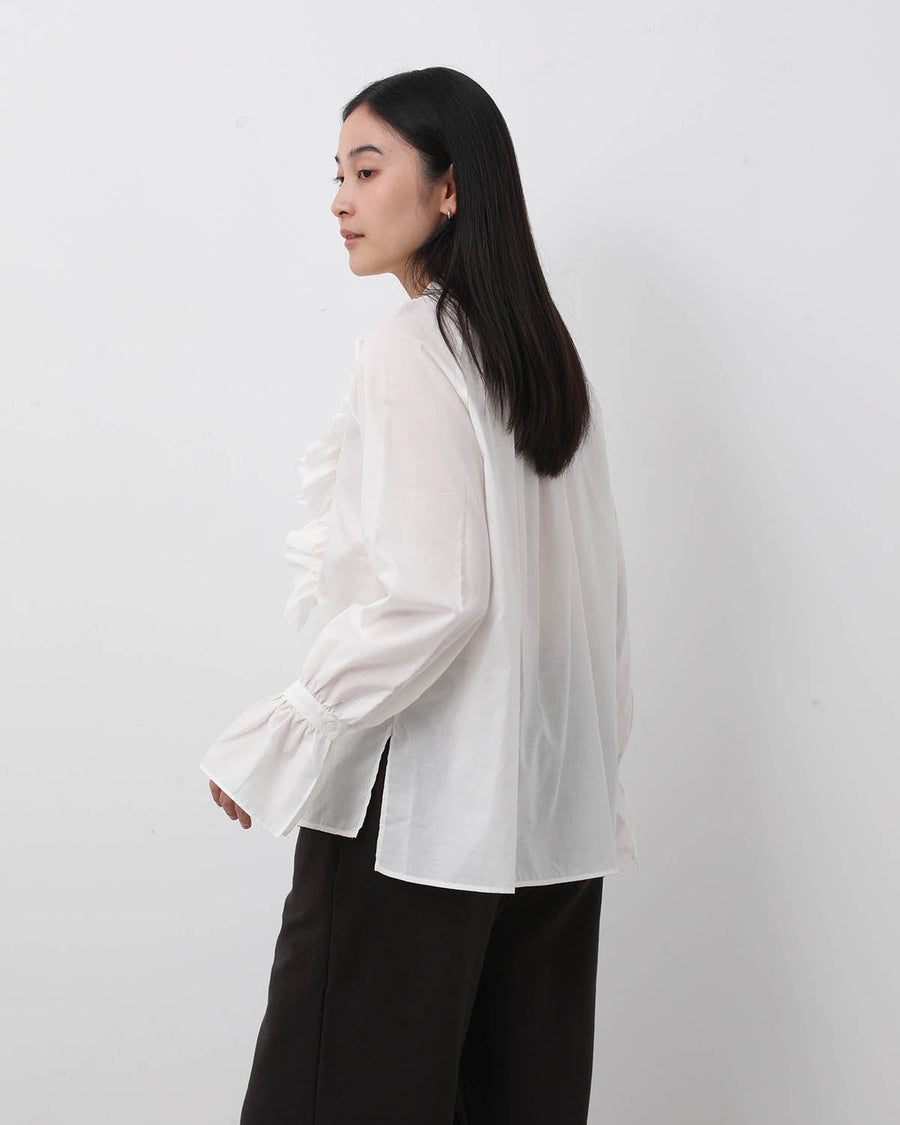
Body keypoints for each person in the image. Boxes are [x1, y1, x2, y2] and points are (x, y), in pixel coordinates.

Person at [201, 65, 637, 1125]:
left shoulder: (414, 345)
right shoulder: (541, 355)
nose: (340, 201)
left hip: (419, 803)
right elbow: (588, 605)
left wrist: (295, 724)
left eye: (367, 170)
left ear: (449, 189)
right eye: (337, 175)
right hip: (544, 803)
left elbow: (440, 596)